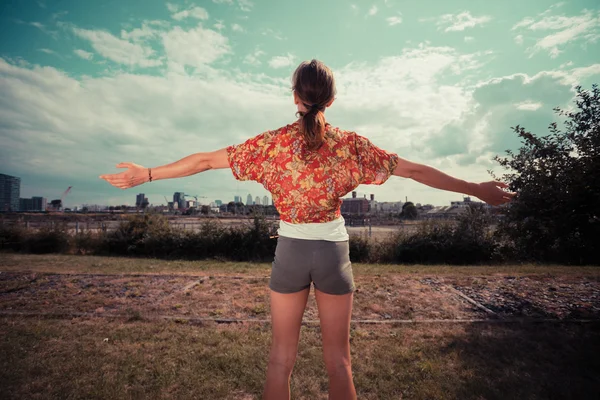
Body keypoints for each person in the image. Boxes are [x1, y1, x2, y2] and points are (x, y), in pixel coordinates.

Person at [100, 59, 515, 400]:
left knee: (281, 359)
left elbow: (206, 161)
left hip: (290, 256)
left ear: (295, 97)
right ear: (330, 99)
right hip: (334, 256)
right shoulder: (351, 145)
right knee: (340, 362)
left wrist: (148, 174)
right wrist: (475, 188)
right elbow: (415, 170)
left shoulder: (271, 145)